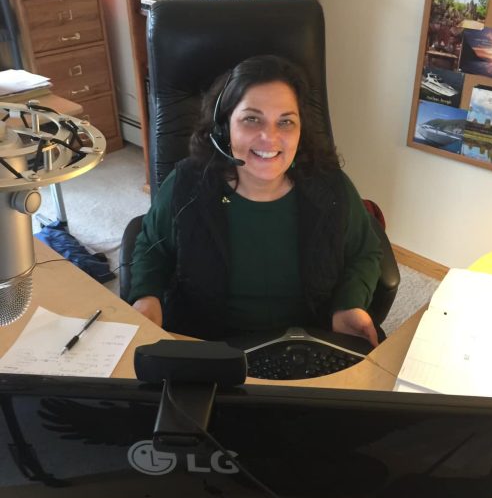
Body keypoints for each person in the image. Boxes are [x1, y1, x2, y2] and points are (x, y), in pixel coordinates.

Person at [129, 55, 382, 347]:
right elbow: (151, 247)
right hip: (208, 344)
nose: (269, 137)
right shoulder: (188, 184)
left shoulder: (331, 188)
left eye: (286, 122)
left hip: (309, 343)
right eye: (252, 119)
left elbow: (365, 252)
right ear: (224, 126)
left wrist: (350, 304)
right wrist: (147, 297)